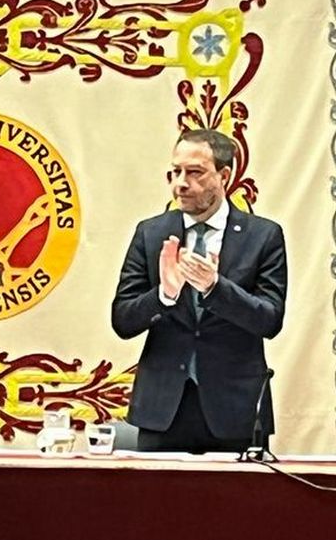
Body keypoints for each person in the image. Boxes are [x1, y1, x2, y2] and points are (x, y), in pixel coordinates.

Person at [110, 127, 287, 453]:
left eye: (194, 172)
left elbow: (270, 319)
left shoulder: (262, 236)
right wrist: (164, 294)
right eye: (175, 172)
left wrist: (216, 288)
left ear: (224, 175)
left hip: (235, 411)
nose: (181, 183)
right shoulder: (151, 233)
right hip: (162, 410)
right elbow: (122, 319)